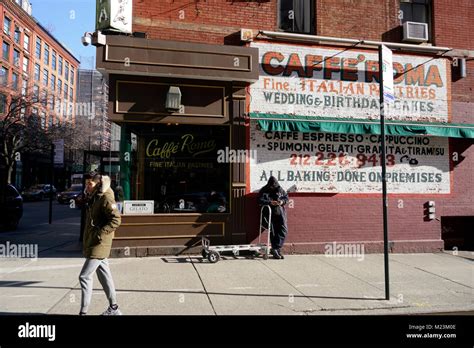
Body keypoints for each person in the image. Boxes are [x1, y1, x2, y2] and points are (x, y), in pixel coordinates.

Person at [79, 173, 122, 315]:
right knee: (105, 275)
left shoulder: (106, 197)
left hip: (99, 244)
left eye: (89, 184)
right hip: (95, 241)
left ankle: (83, 313)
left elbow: (116, 220)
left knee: (84, 277)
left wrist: (100, 234)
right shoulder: (95, 196)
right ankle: (114, 308)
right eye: (86, 184)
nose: (87, 186)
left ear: (98, 184)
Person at [258, 176, 289, 259]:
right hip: (269, 213)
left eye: (274, 186)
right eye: (272, 186)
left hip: (280, 212)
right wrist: (270, 202)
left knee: (283, 230)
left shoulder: (279, 188)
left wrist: (281, 201)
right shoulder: (264, 190)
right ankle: (276, 249)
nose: (273, 187)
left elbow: (286, 197)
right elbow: (260, 200)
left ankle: (276, 248)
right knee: (273, 231)